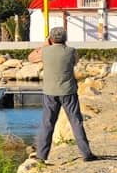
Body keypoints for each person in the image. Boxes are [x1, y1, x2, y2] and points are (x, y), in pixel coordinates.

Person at [29, 26, 97, 162]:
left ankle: (41, 156)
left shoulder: (45, 51)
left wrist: (44, 44)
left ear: (51, 38)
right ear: (65, 38)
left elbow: (31, 58)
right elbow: (75, 62)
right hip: (68, 91)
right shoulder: (72, 51)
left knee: (47, 123)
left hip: (50, 92)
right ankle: (86, 154)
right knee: (76, 122)